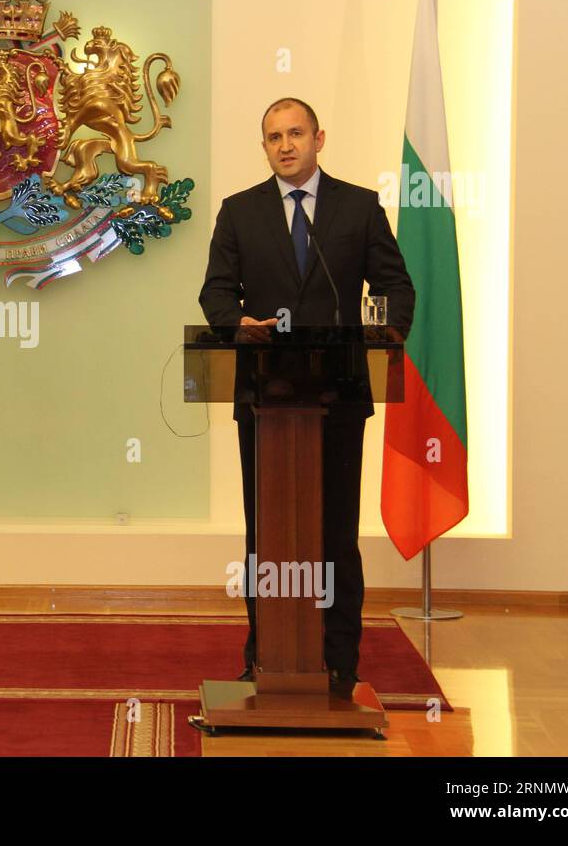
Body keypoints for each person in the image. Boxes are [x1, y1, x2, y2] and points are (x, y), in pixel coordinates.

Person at [198, 97, 414, 698]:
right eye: (273, 137)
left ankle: (340, 662)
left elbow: (395, 286)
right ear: (264, 146)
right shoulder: (239, 213)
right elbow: (215, 294)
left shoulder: (358, 207)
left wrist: (386, 334)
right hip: (267, 398)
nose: (285, 145)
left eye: (295, 133)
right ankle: (263, 656)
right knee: (266, 535)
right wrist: (239, 323)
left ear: (319, 138)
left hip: (338, 396)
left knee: (336, 532)